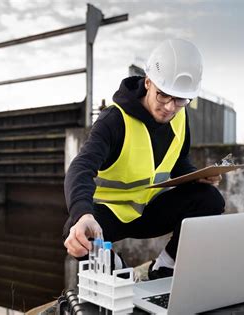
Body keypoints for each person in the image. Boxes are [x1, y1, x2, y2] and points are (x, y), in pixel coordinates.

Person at [62, 38, 225, 280]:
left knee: (210, 199)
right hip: (112, 215)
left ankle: (165, 267)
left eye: (180, 100)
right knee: (75, 231)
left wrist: (197, 178)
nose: (170, 107)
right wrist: (83, 214)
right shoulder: (114, 121)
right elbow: (81, 167)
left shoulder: (180, 117)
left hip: (151, 211)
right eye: (163, 95)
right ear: (148, 82)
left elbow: (179, 162)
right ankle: (118, 269)